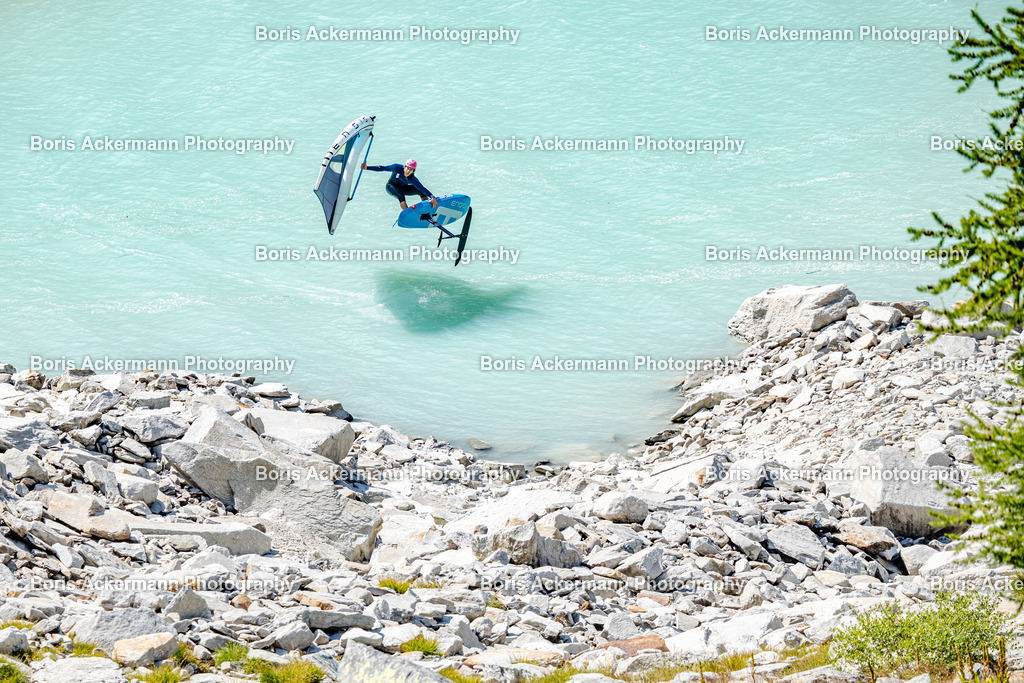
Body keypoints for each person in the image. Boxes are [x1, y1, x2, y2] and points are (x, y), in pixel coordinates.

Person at [361, 159, 439, 211]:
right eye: (407, 168)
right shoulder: (396, 168)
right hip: (391, 187)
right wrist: (367, 168)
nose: (408, 171)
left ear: (413, 171)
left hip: (403, 187)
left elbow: (422, 188)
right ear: (404, 167)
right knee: (400, 195)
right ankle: (408, 214)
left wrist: (432, 197)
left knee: (421, 191)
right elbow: (383, 168)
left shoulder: (412, 179)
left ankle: (427, 208)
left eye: (411, 170)